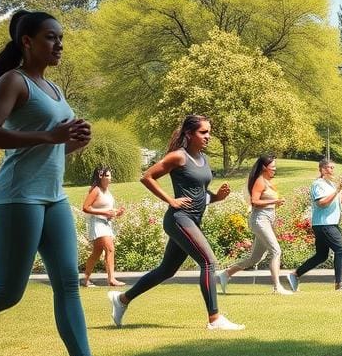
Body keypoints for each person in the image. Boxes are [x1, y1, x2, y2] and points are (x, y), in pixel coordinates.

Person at [0, 10, 140, 356]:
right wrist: (50, 136)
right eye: (51, 37)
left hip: (52, 196)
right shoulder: (13, 82)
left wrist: (69, 144)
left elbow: (49, 150)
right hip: (18, 197)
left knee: (67, 283)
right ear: (27, 41)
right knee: (8, 292)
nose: (59, 44)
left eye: (61, 38)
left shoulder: (54, 89)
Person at [108, 115, 244, 330]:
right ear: (189, 134)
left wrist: (217, 197)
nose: (208, 136)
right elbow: (147, 177)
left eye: (209, 132)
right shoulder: (178, 157)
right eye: (203, 132)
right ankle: (215, 319)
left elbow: (199, 193)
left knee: (166, 270)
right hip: (179, 219)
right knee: (209, 262)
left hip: (193, 220)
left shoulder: (203, 159)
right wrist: (170, 200)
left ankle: (122, 299)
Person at [217, 154, 292, 295]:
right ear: (264, 167)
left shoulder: (269, 182)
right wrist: (274, 202)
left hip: (267, 219)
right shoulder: (260, 181)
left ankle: (226, 274)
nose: (275, 169)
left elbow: (268, 204)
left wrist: (277, 204)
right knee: (276, 251)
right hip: (259, 220)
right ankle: (277, 287)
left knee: (255, 258)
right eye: (272, 167)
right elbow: (255, 201)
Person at [286, 158, 342, 292]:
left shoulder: (331, 185)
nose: (332, 170)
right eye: (329, 167)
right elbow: (321, 203)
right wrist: (337, 192)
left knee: (321, 255)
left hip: (330, 224)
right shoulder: (318, 184)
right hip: (325, 224)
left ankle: (295, 275)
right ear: (322, 169)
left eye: (333, 168)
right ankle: (339, 284)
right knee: (340, 249)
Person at [81, 166, 126, 288]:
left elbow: (107, 210)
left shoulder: (108, 192)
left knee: (96, 253)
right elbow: (85, 207)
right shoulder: (96, 190)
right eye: (102, 175)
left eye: (107, 175)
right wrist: (104, 213)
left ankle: (85, 280)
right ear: (98, 177)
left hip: (106, 224)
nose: (105, 177)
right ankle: (111, 279)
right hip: (97, 223)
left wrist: (117, 212)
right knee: (110, 248)